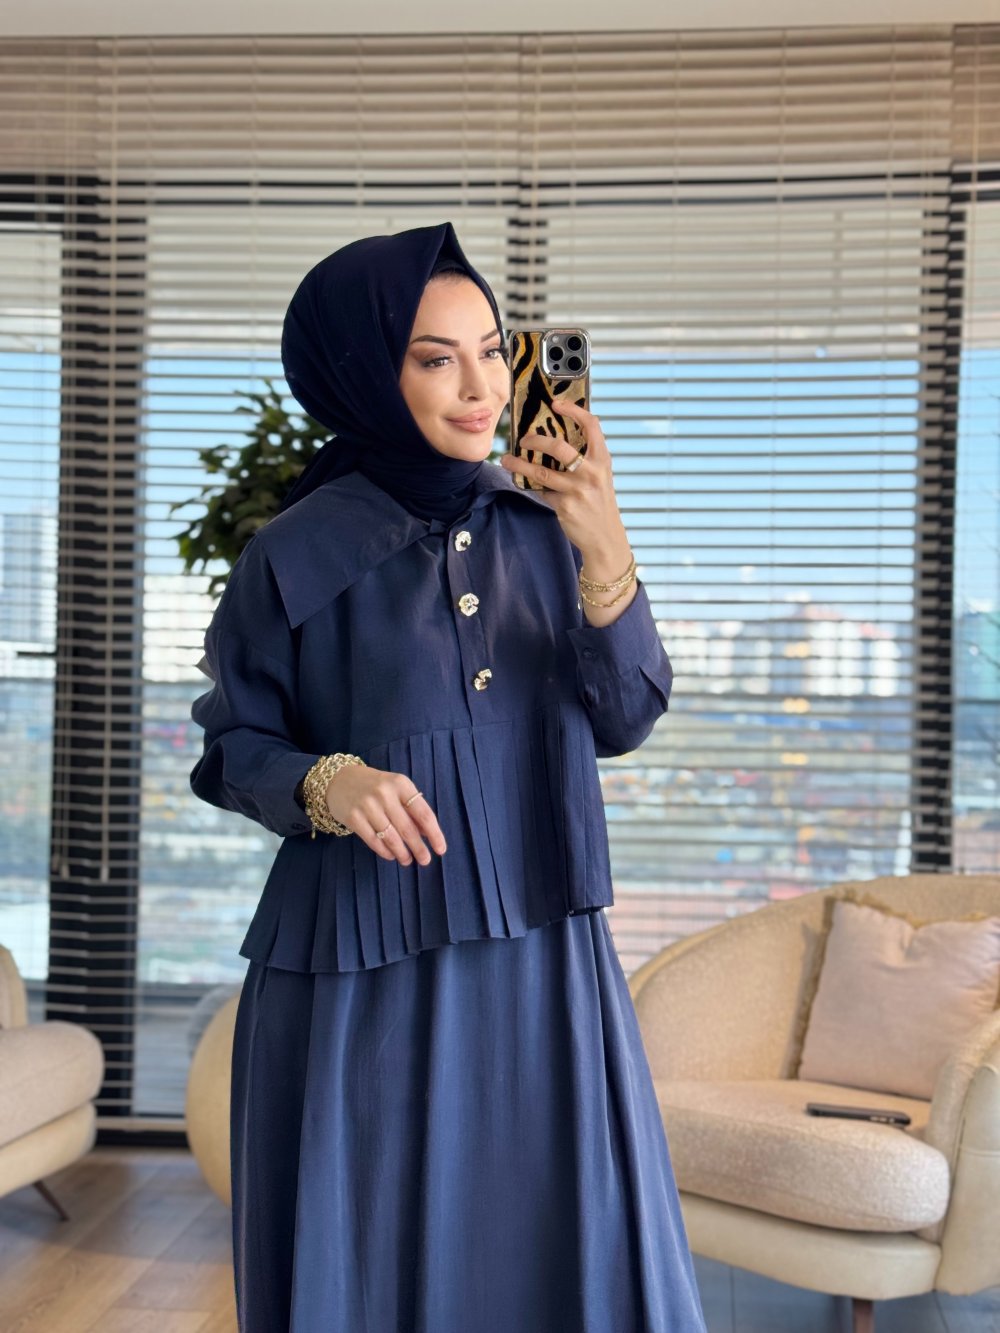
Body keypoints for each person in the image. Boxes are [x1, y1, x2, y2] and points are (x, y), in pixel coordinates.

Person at [189, 221, 708, 1333]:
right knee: (369, 1264)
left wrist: (605, 550)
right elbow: (232, 747)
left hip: (541, 955)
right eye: (435, 358)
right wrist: (328, 782)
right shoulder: (289, 555)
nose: (480, 388)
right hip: (356, 968)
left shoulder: (550, 529)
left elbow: (625, 718)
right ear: (363, 372)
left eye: (490, 351)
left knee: (564, 1257)